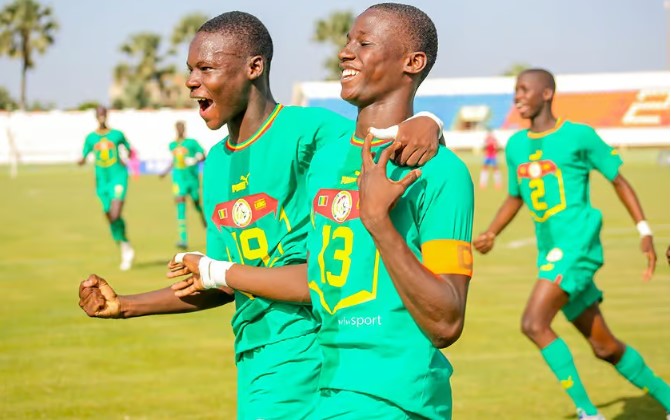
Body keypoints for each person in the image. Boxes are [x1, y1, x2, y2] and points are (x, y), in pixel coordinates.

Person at [78, 10, 443, 420]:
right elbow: (222, 280)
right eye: (190, 70)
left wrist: (428, 120)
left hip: (306, 347)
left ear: (254, 68)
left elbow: (376, 130)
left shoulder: (311, 132)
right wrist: (125, 305)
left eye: (206, 68)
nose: (190, 81)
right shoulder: (215, 163)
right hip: (254, 352)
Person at [170, 4, 473, 418]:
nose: (345, 52)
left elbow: (446, 323)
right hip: (328, 383)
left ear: (413, 62)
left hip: (396, 394)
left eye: (363, 43)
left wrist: (379, 221)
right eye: (348, 41)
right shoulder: (327, 161)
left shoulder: (441, 172)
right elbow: (311, 276)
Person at [473, 68, 669, 420]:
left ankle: (588, 413)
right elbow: (515, 197)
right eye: (515, 91)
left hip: (577, 248)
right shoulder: (516, 145)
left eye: (524, 90)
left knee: (534, 323)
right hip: (549, 253)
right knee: (604, 347)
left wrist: (644, 230)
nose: (517, 97)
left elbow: (619, 181)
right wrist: (492, 232)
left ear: (546, 93)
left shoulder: (579, 136)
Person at [78, 105, 135, 271]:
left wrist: (126, 156)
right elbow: (84, 155)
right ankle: (124, 243)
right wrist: (80, 161)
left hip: (118, 177)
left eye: (104, 113)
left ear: (107, 115)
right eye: (99, 114)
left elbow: (129, 149)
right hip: (101, 182)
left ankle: (125, 248)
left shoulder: (117, 134)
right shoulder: (90, 138)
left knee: (116, 212)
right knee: (110, 216)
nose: (101, 116)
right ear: (96, 116)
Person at [159, 121, 207, 249]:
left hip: (192, 179)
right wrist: (164, 172)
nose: (180, 130)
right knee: (180, 205)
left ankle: (204, 219)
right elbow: (174, 162)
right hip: (178, 180)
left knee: (196, 203)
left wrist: (195, 160)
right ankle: (183, 239)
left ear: (184, 129)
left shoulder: (192, 143)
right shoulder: (172, 145)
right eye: (178, 128)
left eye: (182, 128)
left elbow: (203, 155)